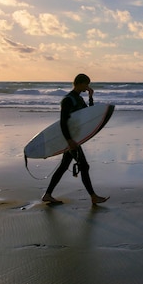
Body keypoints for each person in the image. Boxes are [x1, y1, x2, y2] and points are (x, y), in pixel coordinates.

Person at [42, 74, 109, 205]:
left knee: (64, 166)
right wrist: (69, 140)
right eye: (86, 84)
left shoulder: (78, 98)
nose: (87, 87)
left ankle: (47, 194)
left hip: (75, 138)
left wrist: (90, 97)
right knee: (84, 166)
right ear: (79, 83)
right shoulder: (68, 100)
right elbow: (63, 122)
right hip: (70, 138)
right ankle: (93, 197)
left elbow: (88, 115)